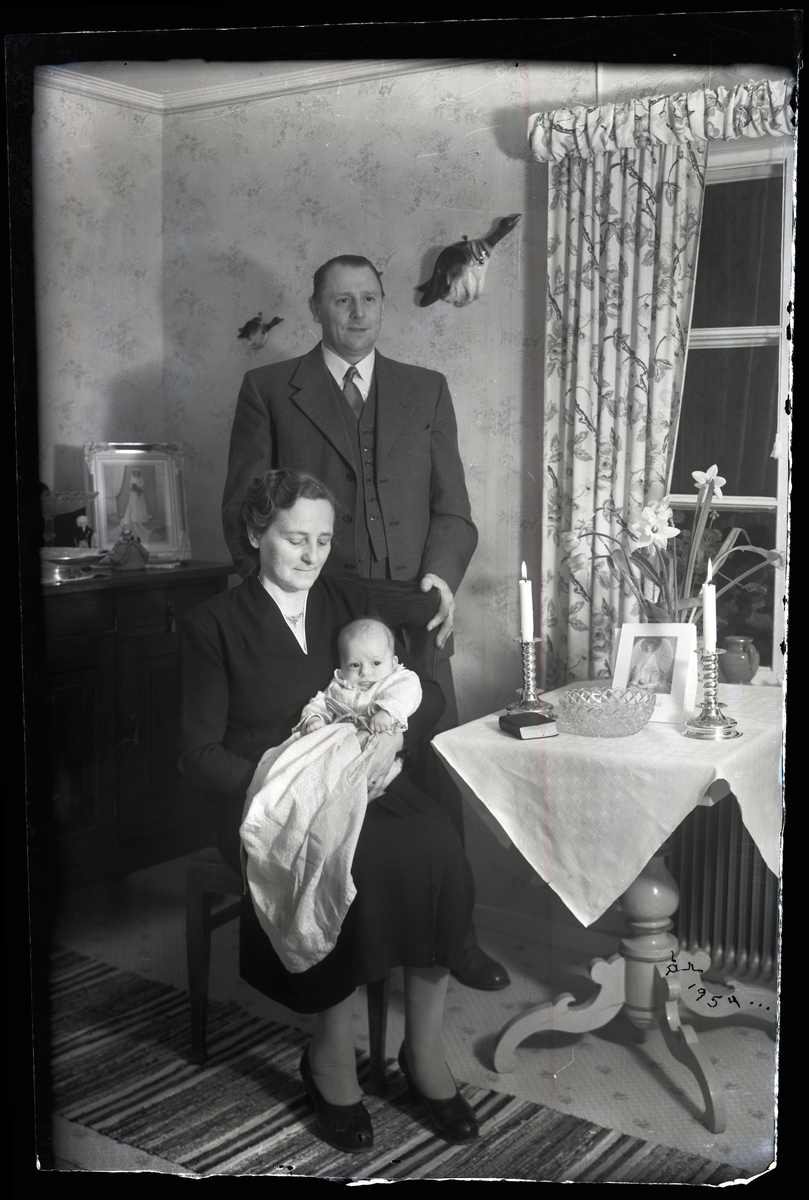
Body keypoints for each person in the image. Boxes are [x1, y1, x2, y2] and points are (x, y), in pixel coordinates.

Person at [221, 254, 509, 992]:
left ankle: (455, 939)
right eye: (341, 300)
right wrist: (286, 604)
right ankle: (345, 946)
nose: (357, 313)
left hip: (411, 612)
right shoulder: (269, 389)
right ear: (316, 307)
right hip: (323, 616)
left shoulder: (425, 388)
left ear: (384, 305)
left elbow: (453, 509)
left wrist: (441, 575)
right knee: (331, 768)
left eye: (369, 299)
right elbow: (243, 512)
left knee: (433, 771)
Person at [178, 469, 479, 1153]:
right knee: (352, 859)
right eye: (295, 539)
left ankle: (423, 1053)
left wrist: (395, 733)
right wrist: (286, 780)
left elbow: (420, 687)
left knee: (436, 839)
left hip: (358, 771)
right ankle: (330, 1056)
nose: (312, 555)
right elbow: (195, 756)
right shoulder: (211, 625)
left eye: (322, 539)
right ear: (255, 533)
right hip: (266, 791)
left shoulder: (346, 599)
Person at [240, 617, 422, 974]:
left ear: (393, 660)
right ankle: (293, 810)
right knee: (301, 773)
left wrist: (388, 712)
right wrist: (314, 720)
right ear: (341, 666)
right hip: (336, 751)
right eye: (355, 665)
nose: (365, 673)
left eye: (375, 663)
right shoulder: (340, 687)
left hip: (372, 758)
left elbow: (410, 692)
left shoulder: (396, 680)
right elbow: (320, 704)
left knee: (350, 785)